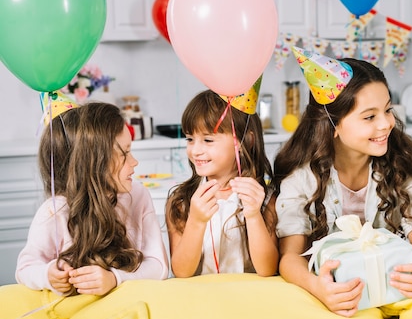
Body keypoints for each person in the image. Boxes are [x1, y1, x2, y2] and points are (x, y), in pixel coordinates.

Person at [274, 47, 412, 317]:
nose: (387, 123)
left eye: (387, 110)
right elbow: (289, 258)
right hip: (342, 298)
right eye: (370, 116)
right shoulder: (302, 180)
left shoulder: (400, 164)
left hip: (394, 290)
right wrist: (317, 287)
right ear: (333, 125)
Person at [16, 100, 169, 296]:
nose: (134, 162)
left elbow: (159, 266)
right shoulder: (55, 210)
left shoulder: (138, 196)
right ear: (91, 163)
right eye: (125, 154)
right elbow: (25, 268)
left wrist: (115, 278)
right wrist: (48, 275)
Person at [165, 81, 278, 277]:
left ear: (246, 141)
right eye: (190, 139)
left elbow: (268, 270)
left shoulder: (265, 199)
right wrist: (196, 221)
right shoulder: (181, 201)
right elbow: (181, 272)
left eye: (208, 140)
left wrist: (253, 215)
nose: (196, 150)